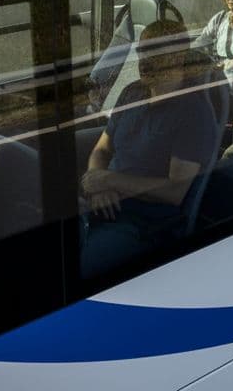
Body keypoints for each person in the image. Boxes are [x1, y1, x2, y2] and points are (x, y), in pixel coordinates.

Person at [81, 20, 217, 277]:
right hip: (104, 202)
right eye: (142, 52)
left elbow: (175, 190)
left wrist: (109, 179)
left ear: (177, 58)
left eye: (154, 54)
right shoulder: (133, 92)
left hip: (142, 223)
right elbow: (102, 149)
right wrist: (99, 187)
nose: (144, 61)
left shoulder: (193, 112)